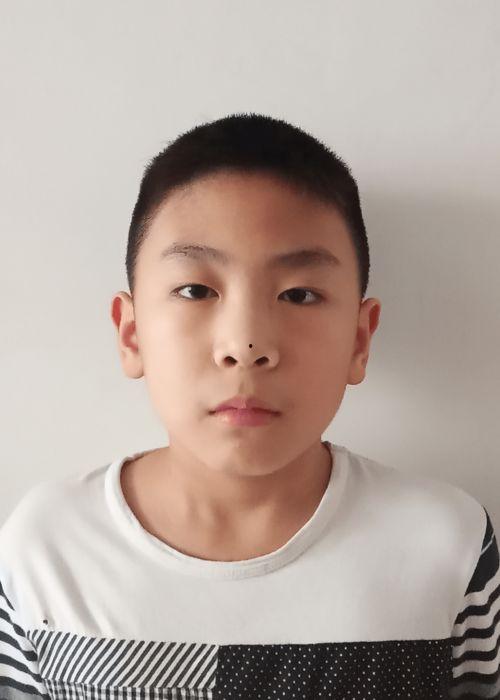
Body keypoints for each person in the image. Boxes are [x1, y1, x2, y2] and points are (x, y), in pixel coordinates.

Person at [1, 113, 498, 700]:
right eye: (196, 290)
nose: (246, 344)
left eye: (299, 294)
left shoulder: (445, 544)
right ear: (132, 334)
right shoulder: (49, 544)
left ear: (359, 341)